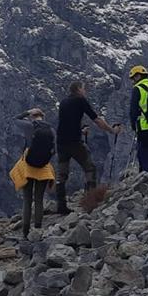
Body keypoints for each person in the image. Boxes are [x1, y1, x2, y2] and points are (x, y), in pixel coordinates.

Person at [55, 81, 121, 213]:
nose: (85, 91)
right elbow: (96, 119)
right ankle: (91, 202)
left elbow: (67, 121)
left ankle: (61, 206)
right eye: (84, 88)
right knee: (90, 168)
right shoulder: (81, 100)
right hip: (74, 142)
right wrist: (112, 131)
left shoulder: (63, 102)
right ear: (79, 89)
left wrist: (80, 130)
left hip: (61, 142)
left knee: (62, 174)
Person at [10, 108, 56, 237]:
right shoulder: (51, 130)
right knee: (39, 199)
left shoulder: (28, 126)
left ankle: (25, 233)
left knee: (27, 199)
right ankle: (38, 230)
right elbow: (54, 149)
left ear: (32, 116)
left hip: (28, 167)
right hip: (43, 168)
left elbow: (15, 119)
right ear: (43, 116)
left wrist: (26, 112)